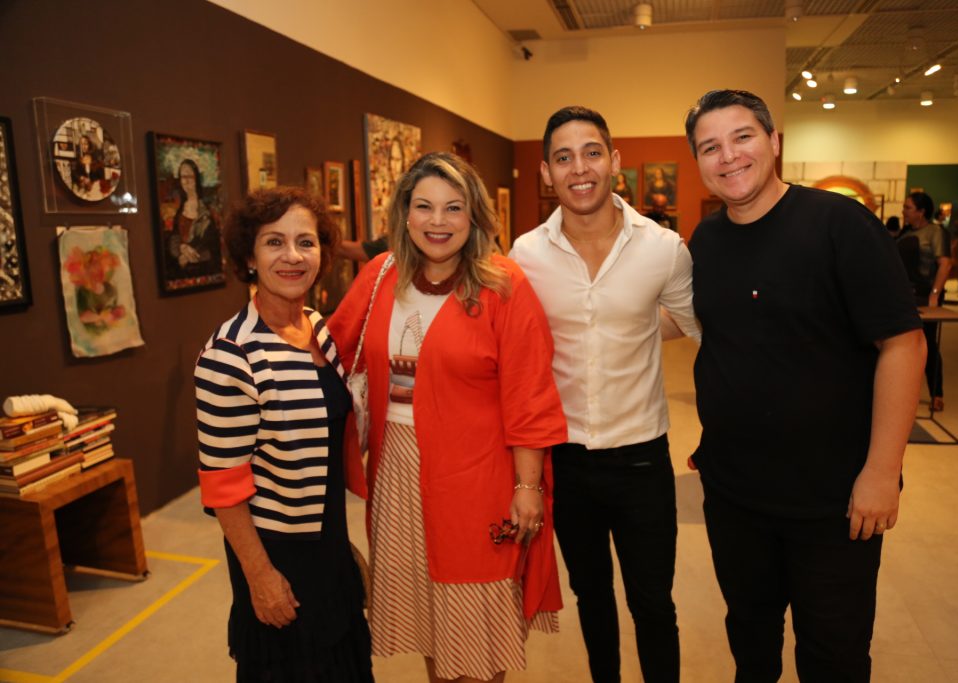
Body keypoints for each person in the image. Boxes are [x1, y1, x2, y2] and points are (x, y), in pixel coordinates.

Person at [683, 89, 926, 683]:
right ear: (698, 161)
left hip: (834, 502)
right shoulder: (707, 240)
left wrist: (881, 471)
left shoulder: (838, 223)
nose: (728, 156)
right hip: (735, 496)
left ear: (774, 142)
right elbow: (713, 331)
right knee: (751, 642)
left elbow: (904, 345)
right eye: (709, 146)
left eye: (742, 137)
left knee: (833, 657)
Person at [328, 151, 566, 683]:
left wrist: (528, 487)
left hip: (480, 476)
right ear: (405, 214)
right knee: (431, 623)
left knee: (480, 629)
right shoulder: (381, 274)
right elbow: (329, 350)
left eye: (453, 208)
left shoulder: (504, 285)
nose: (438, 222)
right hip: (398, 475)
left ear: (474, 216)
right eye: (424, 207)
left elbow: (529, 395)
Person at [510, 105, 701, 683]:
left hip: (642, 457)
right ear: (546, 173)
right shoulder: (524, 256)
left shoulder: (663, 248)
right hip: (564, 461)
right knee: (591, 597)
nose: (579, 168)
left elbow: (697, 326)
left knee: (652, 604)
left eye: (591, 152)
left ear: (614, 161)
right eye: (563, 158)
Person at [194, 187, 373, 682]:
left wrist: (340, 548)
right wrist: (261, 578)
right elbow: (223, 487)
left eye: (306, 242)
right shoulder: (231, 355)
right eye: (274, 243)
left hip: (326, 543)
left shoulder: (317, 329)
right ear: (249, 258)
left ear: (323, 253)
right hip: (277, 556)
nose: (292, 256)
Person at [898, 191, 951, 411]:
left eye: (908, 207)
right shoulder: (906, 233)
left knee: (928, 344)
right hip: (905, 294)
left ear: (921, 211)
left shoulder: (935, 232)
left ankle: (937, 392)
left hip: (924, 294)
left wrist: (934, 294)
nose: (904, 211)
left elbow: (945, 264)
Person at [166, 159, 223, 283]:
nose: (186, 181)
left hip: (205, 267)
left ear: (196, 178)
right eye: (182, 177)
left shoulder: (207, 209)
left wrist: (192, 255)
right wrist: (182, 248)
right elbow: (174, 236)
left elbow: (213, 241)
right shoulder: (179, 209)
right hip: (183, 268)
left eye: (189, 176)